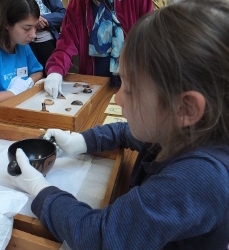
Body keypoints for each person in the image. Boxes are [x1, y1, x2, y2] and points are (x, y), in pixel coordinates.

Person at [8, 0, 229, 249]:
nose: (117, 97)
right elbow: (125, 132)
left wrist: (40, 190)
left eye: (130, 89)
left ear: (186, 108)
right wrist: (80, 141)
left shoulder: (198, 180)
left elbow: (100, 236)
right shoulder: (181, 132)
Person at [44, 0, 153, 99]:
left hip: (132, 81)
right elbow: (66, 43)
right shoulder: (78, 4)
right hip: (94, 83)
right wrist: (56, 70)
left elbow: (149, 39)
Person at [0, 0, 43, 103]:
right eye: (27, 28)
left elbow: (37, 72)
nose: (34, 35)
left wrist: (28, 82)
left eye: (35, 27)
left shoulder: (22, 46)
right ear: (7, 24)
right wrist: (13, 92)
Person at [29, 0, 66, 77]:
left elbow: (63, 14)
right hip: (24, 44)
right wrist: (33, 18)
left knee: (52, 75)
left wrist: (43, 20)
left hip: (47, 43)